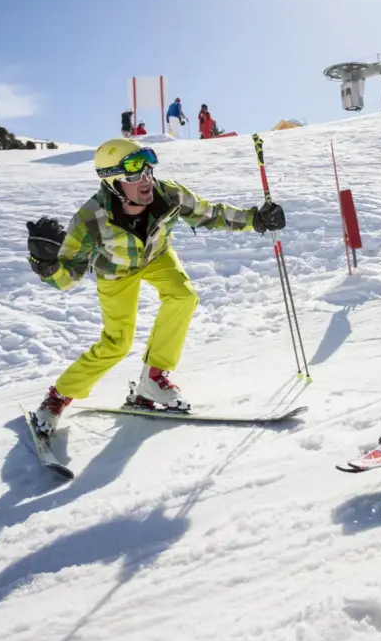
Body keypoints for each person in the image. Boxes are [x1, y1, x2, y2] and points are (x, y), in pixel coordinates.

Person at [25, 138, 286, 434]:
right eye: (135, 171)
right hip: (116, 272)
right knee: (116, 344)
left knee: (183, 297)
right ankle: (57, 397)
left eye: (148, 166)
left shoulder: (168, 194)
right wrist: (46, 265)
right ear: (112, 181)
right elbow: (67, 277)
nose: (147, 177)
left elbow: (209, 214)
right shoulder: (90, 220)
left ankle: (153, 380)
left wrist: (256, 219)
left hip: (157, 256)